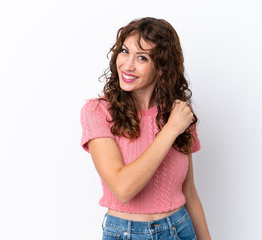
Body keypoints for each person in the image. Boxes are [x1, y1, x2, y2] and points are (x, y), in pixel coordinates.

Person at [80, 17, 211, 240]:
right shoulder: (98, 112)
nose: (127, 64)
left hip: (180, 229)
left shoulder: (178, 113)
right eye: (124, 51)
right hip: (126, 233)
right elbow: (123, 189)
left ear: (162, 68)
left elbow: (189, 192)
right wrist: (171, 130)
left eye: (142, 57)